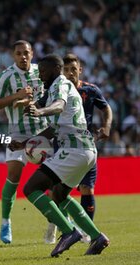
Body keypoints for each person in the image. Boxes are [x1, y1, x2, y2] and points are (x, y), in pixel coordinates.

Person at [11, 54, 109, 257]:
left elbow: (59, 105)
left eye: (44, 72)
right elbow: (53, 130)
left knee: (31, 188)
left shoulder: (60, 84)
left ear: (56, 69)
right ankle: (96, 237)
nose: (42, 77)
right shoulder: (58, 85)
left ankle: (68, 232)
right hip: (85, 150)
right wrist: (25, 143)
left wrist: (40, 112)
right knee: (59, 194)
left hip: (75, 149)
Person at [44, 53, 113, 244]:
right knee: (56, 191)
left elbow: (106, 108)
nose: (70, 73)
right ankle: (55, 223)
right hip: (62, 146)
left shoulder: (90, 90)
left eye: (73, 69)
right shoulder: (56, 91)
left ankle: (87, 232)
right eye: (66, 70)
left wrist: (106, 126)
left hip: (84, 145)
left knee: (87, 189)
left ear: (80, 70)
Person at [0, 40, 47, 244]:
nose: (23, 56)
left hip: (42, 133)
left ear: (32, 53)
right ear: (13, 56)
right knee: (13, 176)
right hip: (17, 134)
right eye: (18, 53)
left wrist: (31, 103)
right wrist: (17, 97)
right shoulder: (7, 76)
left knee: (55, 178)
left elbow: (47, 98)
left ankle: (55, 222)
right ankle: (6, 222)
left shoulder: (41, 72)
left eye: (26, 53)